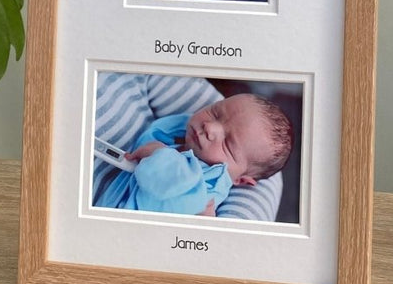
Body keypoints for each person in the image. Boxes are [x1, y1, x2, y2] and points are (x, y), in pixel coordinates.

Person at [94, 92, 293, 217]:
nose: (211, 128)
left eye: (228, 144)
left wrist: (159, 155)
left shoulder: (208, 183)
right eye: (216, 113)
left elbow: (168, 191)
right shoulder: (186, 141)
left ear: (240, 179)